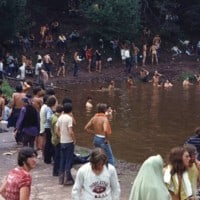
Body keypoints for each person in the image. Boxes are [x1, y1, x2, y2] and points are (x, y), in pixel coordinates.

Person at [56, 102, 76, 185]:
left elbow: (56, 129)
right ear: (71, 110)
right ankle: (68, 178)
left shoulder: (60, 117)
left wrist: (61, 136)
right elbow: (70, 131)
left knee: (62, 159)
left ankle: (61, 179)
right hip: (68, 142)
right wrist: (74, 139)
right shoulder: (69, 118)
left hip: (62, 141)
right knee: (68, 160)